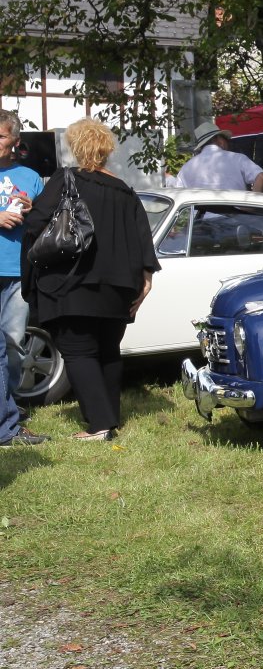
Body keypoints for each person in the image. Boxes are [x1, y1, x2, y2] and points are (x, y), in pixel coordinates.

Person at [21, 119, 158, 441]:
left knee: (78, 351)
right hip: (119, 286)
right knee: (108, 351)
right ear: (107, 149)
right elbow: (143, 240)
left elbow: (36, 225)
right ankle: (109, 418)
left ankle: (99, 425)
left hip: (73, 283)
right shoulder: (124, 190)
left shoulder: (65, 178)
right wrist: (146, 281)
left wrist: (31, 210)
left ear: (75, 147)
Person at [0, 108, 44, 401]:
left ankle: (8, 405)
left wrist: (33, 210)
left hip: (18, 271)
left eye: (0, 136)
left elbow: (47, 221)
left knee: (14, 342)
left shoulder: (30, 177)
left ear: (15, 141)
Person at [174, 121, 263, 193]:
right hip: (235, 213)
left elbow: (178, 193)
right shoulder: (238, 159)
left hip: (200, 214)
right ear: (220, 140)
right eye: (226, 139)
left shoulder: (186, 168)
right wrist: (251, 206)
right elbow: (262, 177)